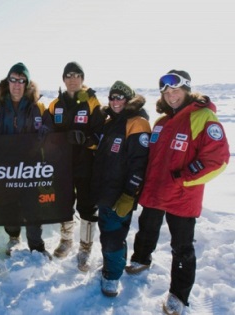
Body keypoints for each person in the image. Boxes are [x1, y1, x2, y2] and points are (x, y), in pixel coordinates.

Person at [125, 70, 230, 314]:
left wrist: (184, 179)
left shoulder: (203, 117)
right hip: (154, 191)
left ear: (187, 90)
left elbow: (217, 159)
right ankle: (141, 259)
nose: (171, 96)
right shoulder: (161, 122)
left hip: (182, 196)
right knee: (147, 228)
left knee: (182, 247)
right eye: (167, 92)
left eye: (176, 90)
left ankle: (179, 295)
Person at [0, 62, 53, 259]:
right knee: (8, 204)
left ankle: (36, 246)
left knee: (32, 206)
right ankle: (13, 237)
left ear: (27, 84)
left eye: (21, 81)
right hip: (4, 168)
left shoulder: (38, 107)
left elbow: (50, 130)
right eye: (13, 79)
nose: (17, 84)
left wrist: (47, 132)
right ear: (8, 82)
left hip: (29, 167)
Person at [90, 81, 151, 297]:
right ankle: (111, 266)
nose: (115, 102)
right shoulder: (111, 122)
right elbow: (106, 152)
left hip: (120, 194)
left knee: (114, 236)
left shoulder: (137, 123)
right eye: (112, 98)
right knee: (107, 233)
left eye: (120, 98)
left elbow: (139, 164)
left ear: (129, 100)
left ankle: (113, 278)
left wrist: (129, 194)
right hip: (106, 191)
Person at [48, 62, 105, 271]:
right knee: (64, 204)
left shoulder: (91, 102)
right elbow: (47, 130)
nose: (72, 79)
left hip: (86, 165)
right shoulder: (55, 105)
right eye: (68, 75)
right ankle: (66, 240)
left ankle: (86, 247)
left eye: (77, 75)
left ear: (82, 79)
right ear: (63, 79)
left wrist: (86, 139)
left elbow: (101, 135)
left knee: (87, 207)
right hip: (63, 165)